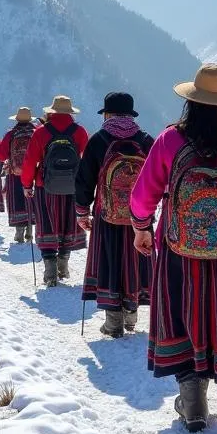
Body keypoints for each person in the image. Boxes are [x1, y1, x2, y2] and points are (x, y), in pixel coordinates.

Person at [130, 64, 217, 432]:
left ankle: (191, 397)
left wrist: (142, 228)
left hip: (177, 248)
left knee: (180, 314)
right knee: (213, 315)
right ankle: (200, 394)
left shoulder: (170, 141)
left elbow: (143, 195)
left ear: (191, 101)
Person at [76, 92, 154, 337]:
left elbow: (85, 180)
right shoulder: (146, 141)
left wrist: (81, 211)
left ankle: (113, 322)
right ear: (131, 115)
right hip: (140, 217)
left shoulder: (99, 140)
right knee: (138, 260)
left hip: (107, 214)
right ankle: (132, 314)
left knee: (110, 261)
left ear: (107, 114)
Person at [20, 95, 89, 286]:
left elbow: (29, 161)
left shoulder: (41, 132)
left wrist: (27, 185)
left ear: (51, 112)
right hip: (72, 187)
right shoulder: (80, 132)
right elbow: (87, 160)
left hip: (45, 186)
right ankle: (63, 265)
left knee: (47, 225)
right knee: (68, 222)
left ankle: (50, 273)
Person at [0, 107, 37, 244]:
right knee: (31, 200)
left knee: (17, 200)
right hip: (33, 173)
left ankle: (19, 232)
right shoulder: (36, 132)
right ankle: (30, 232)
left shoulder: (11, 134)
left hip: (14, 174)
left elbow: (0, 155)